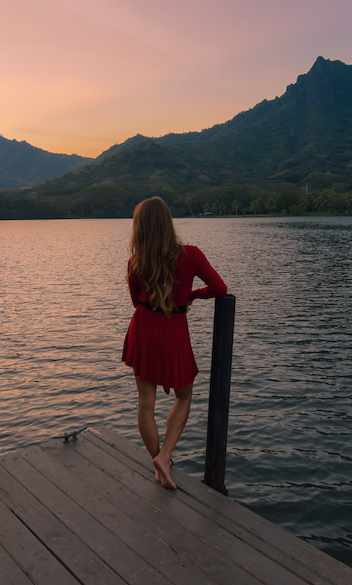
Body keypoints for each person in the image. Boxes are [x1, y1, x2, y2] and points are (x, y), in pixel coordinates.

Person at [121, 196, 227, 489]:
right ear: (168, 223)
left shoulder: (135, 262)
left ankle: (159, 461)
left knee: (145, 405)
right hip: (174, 331)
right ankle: (165, 457)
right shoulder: (190, 255)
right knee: (183, 396)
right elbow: (219, 289)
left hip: (143, 328)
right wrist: (191, 295)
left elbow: (135, 302)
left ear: (140, 228)